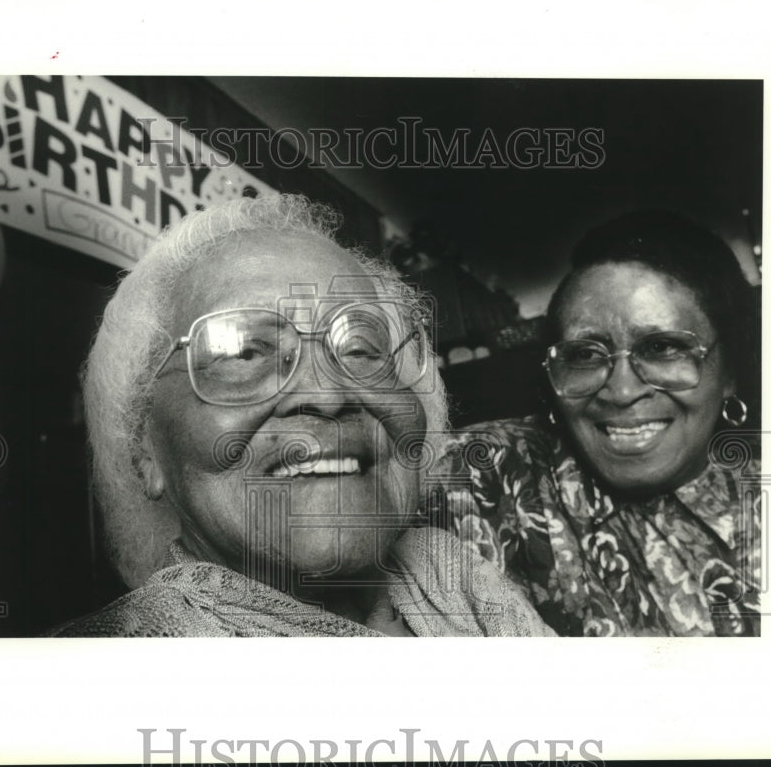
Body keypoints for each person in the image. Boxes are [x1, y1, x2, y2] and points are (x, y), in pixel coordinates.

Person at [53, 193, 552, 637]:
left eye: (361, 349)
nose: (328, 393)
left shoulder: (450, 569)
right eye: (245, 353)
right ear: (145, 449)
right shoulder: (114, 662)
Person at [427, 211, 760, 636]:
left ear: (729, 371)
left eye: (662, 347)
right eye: (585, 354)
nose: (621, 392)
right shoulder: (487, 474)